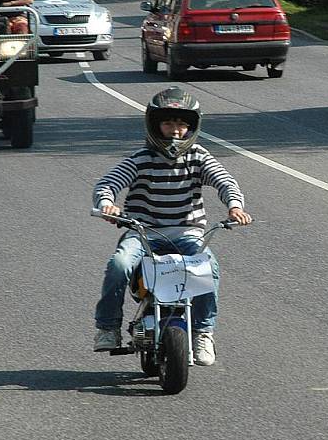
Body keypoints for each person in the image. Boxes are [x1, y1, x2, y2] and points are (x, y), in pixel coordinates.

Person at [92, 87, 252, 366]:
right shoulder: (141, 158)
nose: (175, 130)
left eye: (181, 124)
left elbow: (224, 181)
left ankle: (203, 332)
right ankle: (107, 327)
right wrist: (108, 204)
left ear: (191, 127)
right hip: (143, 233)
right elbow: (108, 183)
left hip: (188, 233)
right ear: (156, 125)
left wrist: (234, 206)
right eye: (168, 123)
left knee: (209, 269)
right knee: (119, 264)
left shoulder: (199, 156)